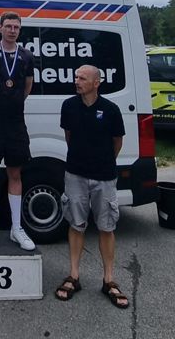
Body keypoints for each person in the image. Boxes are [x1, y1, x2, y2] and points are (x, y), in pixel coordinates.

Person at [55, 64, 129, 309]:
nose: (77, 81)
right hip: (75, 174)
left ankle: (108, 279)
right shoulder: (68, 106)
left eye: (82, 78)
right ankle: (73, 276)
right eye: (76, 77)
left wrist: (103, 162)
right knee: (76, 224)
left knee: (106, 227)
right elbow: (69, 137)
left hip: (104, 177)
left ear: (97, 83)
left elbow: (117, 141)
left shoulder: (110, 109)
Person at [0, 11, 36, 251]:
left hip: (16, 123)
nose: (12, 30)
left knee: (15, 173)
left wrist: (13, 103)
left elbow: (27, 86)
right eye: (8, 26)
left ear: (19, 30)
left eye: (16, 27)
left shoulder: (26, 56)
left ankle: (16, 228)